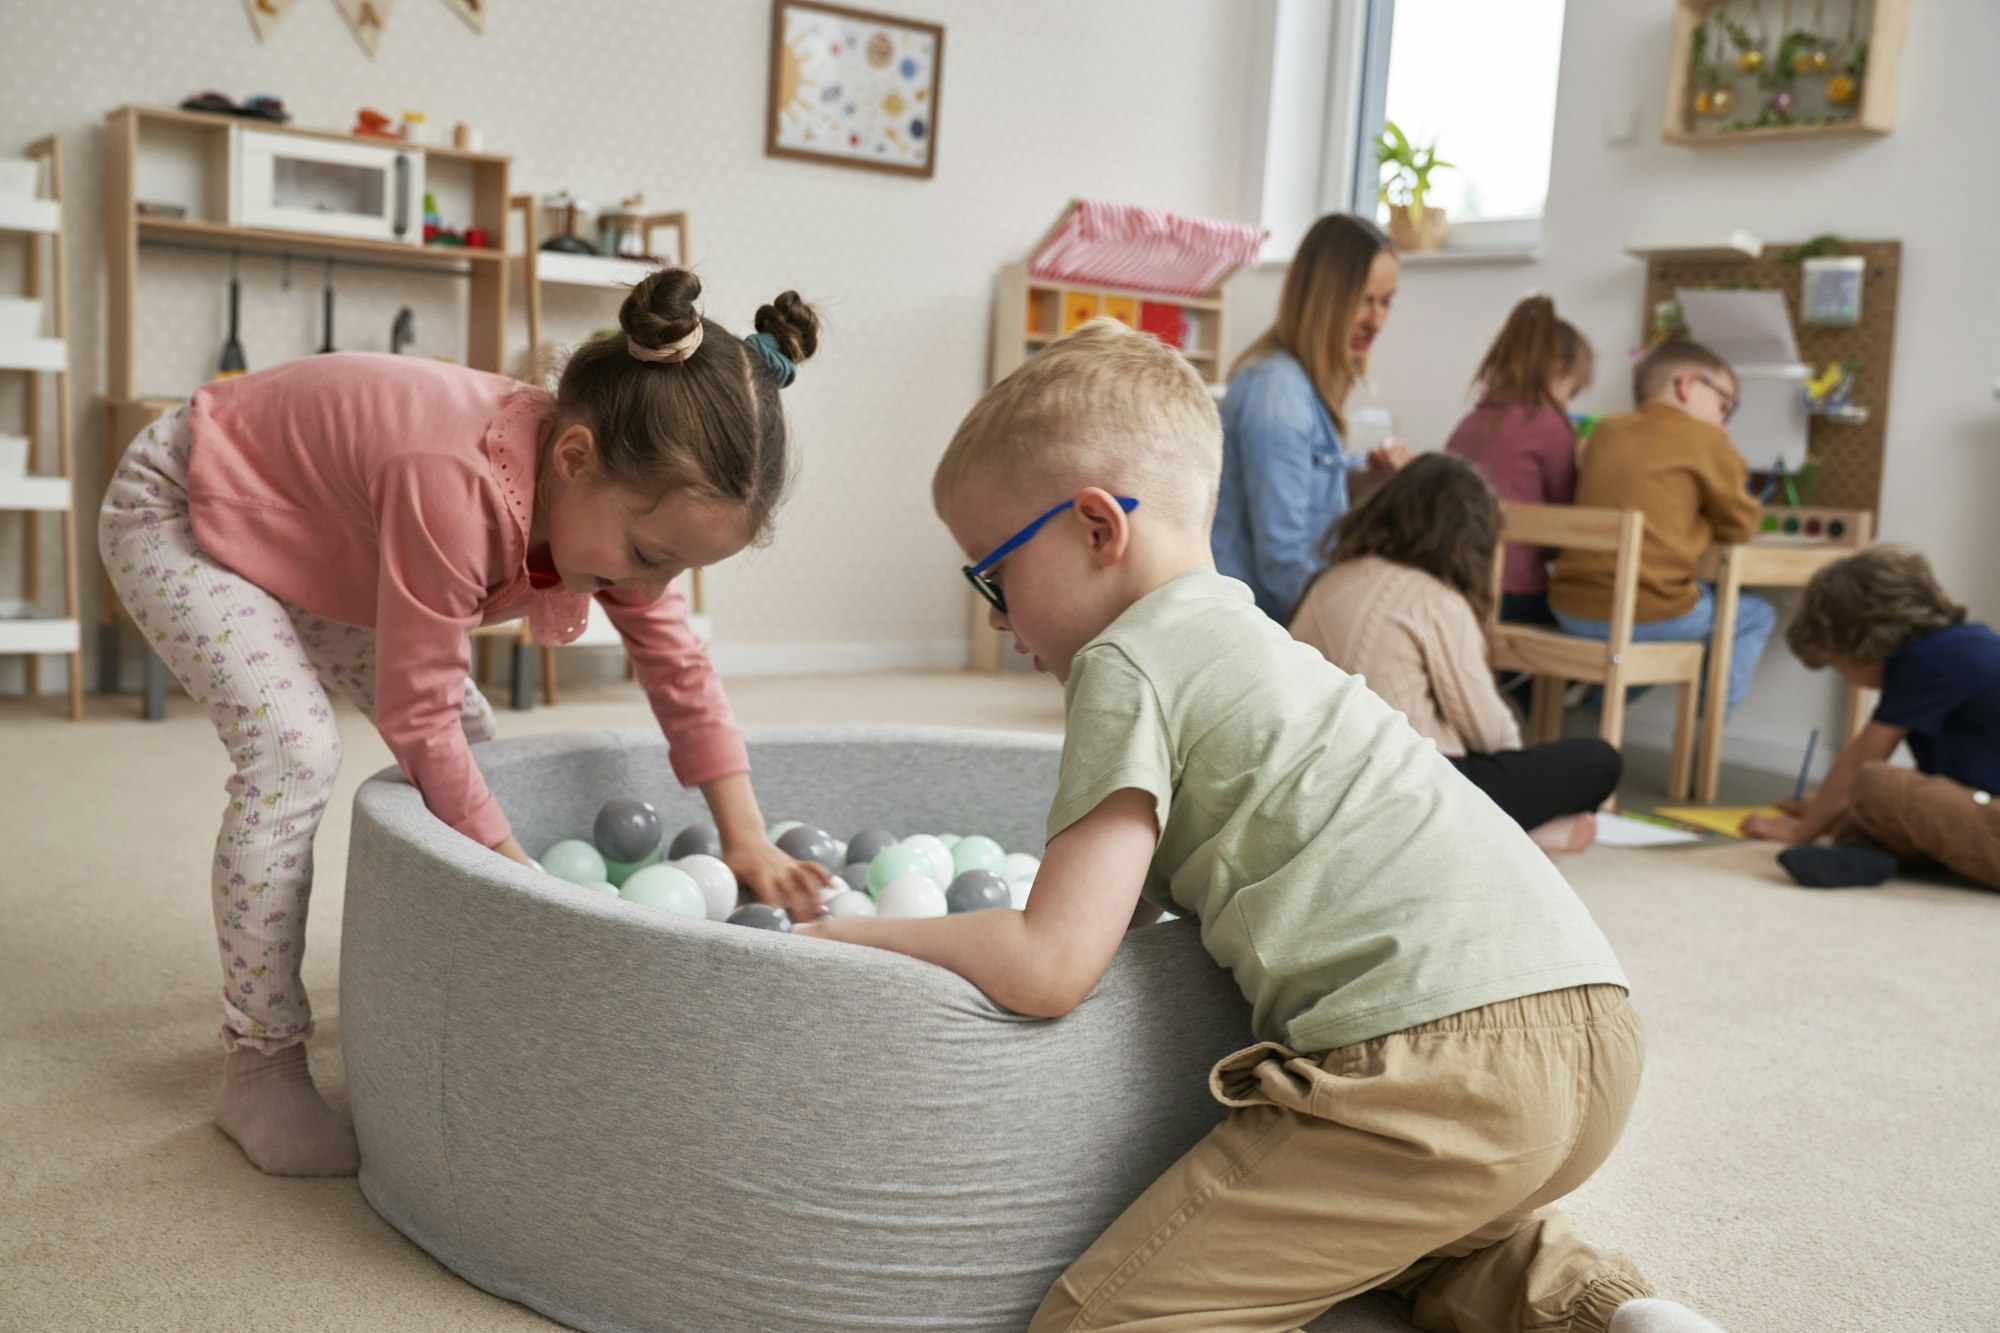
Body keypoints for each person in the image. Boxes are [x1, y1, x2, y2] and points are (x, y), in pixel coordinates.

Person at [800, 320, 1723, 1333]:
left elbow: (1050, 960)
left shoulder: (1126, 661)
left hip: (1432, 1063)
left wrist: (854, 933)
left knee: (1097, 1322)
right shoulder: (1257, 642)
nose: (994, 616)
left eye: (992, 575)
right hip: (1587, 1027)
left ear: (1097, 529)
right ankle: (1611, 1314)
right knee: (1421, 1240)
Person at [98, 269, 833, 1177]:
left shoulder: (618, 498)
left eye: (675, 570)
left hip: (322, 537)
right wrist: (526, 883)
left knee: (475, 757)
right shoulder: (451, 479)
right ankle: (260, 1061)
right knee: (295, 749)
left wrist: (746, 834)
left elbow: (677, 665)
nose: (647, 590)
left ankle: (437, 965)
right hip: (185, 503)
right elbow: (417, 711)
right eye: (647, 557)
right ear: (572, 459)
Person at [1291, 453, 1620, 852]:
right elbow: (1489, 732)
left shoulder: (1328, 581)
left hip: (1319, 785)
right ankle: (1516, 835)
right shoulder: (1435, 598)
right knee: (1601, 760)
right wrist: (1519, 778)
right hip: (1410, 791)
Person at [1743, 546, 2000, 890]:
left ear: (1864, 641)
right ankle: (1865, 856)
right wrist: (1823, 808)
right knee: (1888, 799)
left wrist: (1801, 831)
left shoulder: (1929, 660)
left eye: (1841, 665)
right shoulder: (1962, 647)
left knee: (1876, 784)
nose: (1847, 678)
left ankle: (1864, 849)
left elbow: (1860, 759)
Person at [1547, 339, 1771, 716]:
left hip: (1570, 607)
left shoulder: (1603, 432)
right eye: (1724, 405)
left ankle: (1596, 711)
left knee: (1665, 614)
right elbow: (1741, 527)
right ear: (1686, 384)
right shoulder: (1708, 439)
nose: (1723, 421)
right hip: (1645, 615)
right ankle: (1708, 729)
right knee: (1755, 614)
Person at [1211, 213, 1411, 623]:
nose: (1377, 321)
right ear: (1326, 298)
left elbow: (1301, 485)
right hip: (1251, 622)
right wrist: (1358, 620)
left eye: (1386, 301)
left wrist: (1360, 478)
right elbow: (1282, 565)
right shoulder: (1279, 394)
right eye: (1364, 300)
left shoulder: (1299, 387)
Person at [1445, 293, 1594, 625]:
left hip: (1454, 586)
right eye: (1572, 391)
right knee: (1581, 625)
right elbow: (1565, 522)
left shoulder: (1470, 422)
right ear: (1557, 370)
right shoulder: (1550, 426)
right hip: (1512, 596)